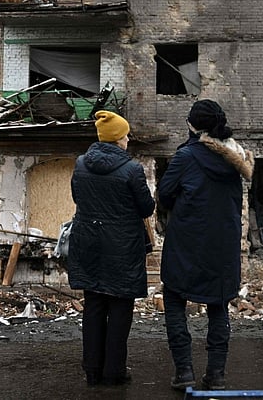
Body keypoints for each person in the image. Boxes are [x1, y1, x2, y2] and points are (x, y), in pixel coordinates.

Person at [157, 99, 254, 391]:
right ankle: (216, 374)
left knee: (174, 299)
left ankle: (184, 371)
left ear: (192, 125)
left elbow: (165, 194)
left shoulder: (186, 157)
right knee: (218, 305)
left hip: (186, 243)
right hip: (222, 245)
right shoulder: (234, 158)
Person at [68, 110, 156, 387]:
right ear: (118, 138)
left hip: (88, 243)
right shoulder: (132, 169)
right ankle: (114, 370)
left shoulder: (81, 164)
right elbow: (147, 208)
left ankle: (92, 370)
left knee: (94, 305)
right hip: (122, 246)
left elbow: (77, 197)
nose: (128, 139)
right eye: (126, 135)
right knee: (120, 306)